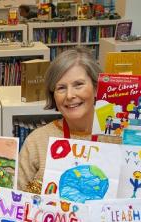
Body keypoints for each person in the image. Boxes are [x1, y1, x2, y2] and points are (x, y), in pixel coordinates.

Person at [17, 47, 118, 193]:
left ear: (96, 88)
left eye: (78, 85)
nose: (70, 95)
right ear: (53, 95)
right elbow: (19, 199)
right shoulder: (36, 142)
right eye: (61, 88)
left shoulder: (118, 137)